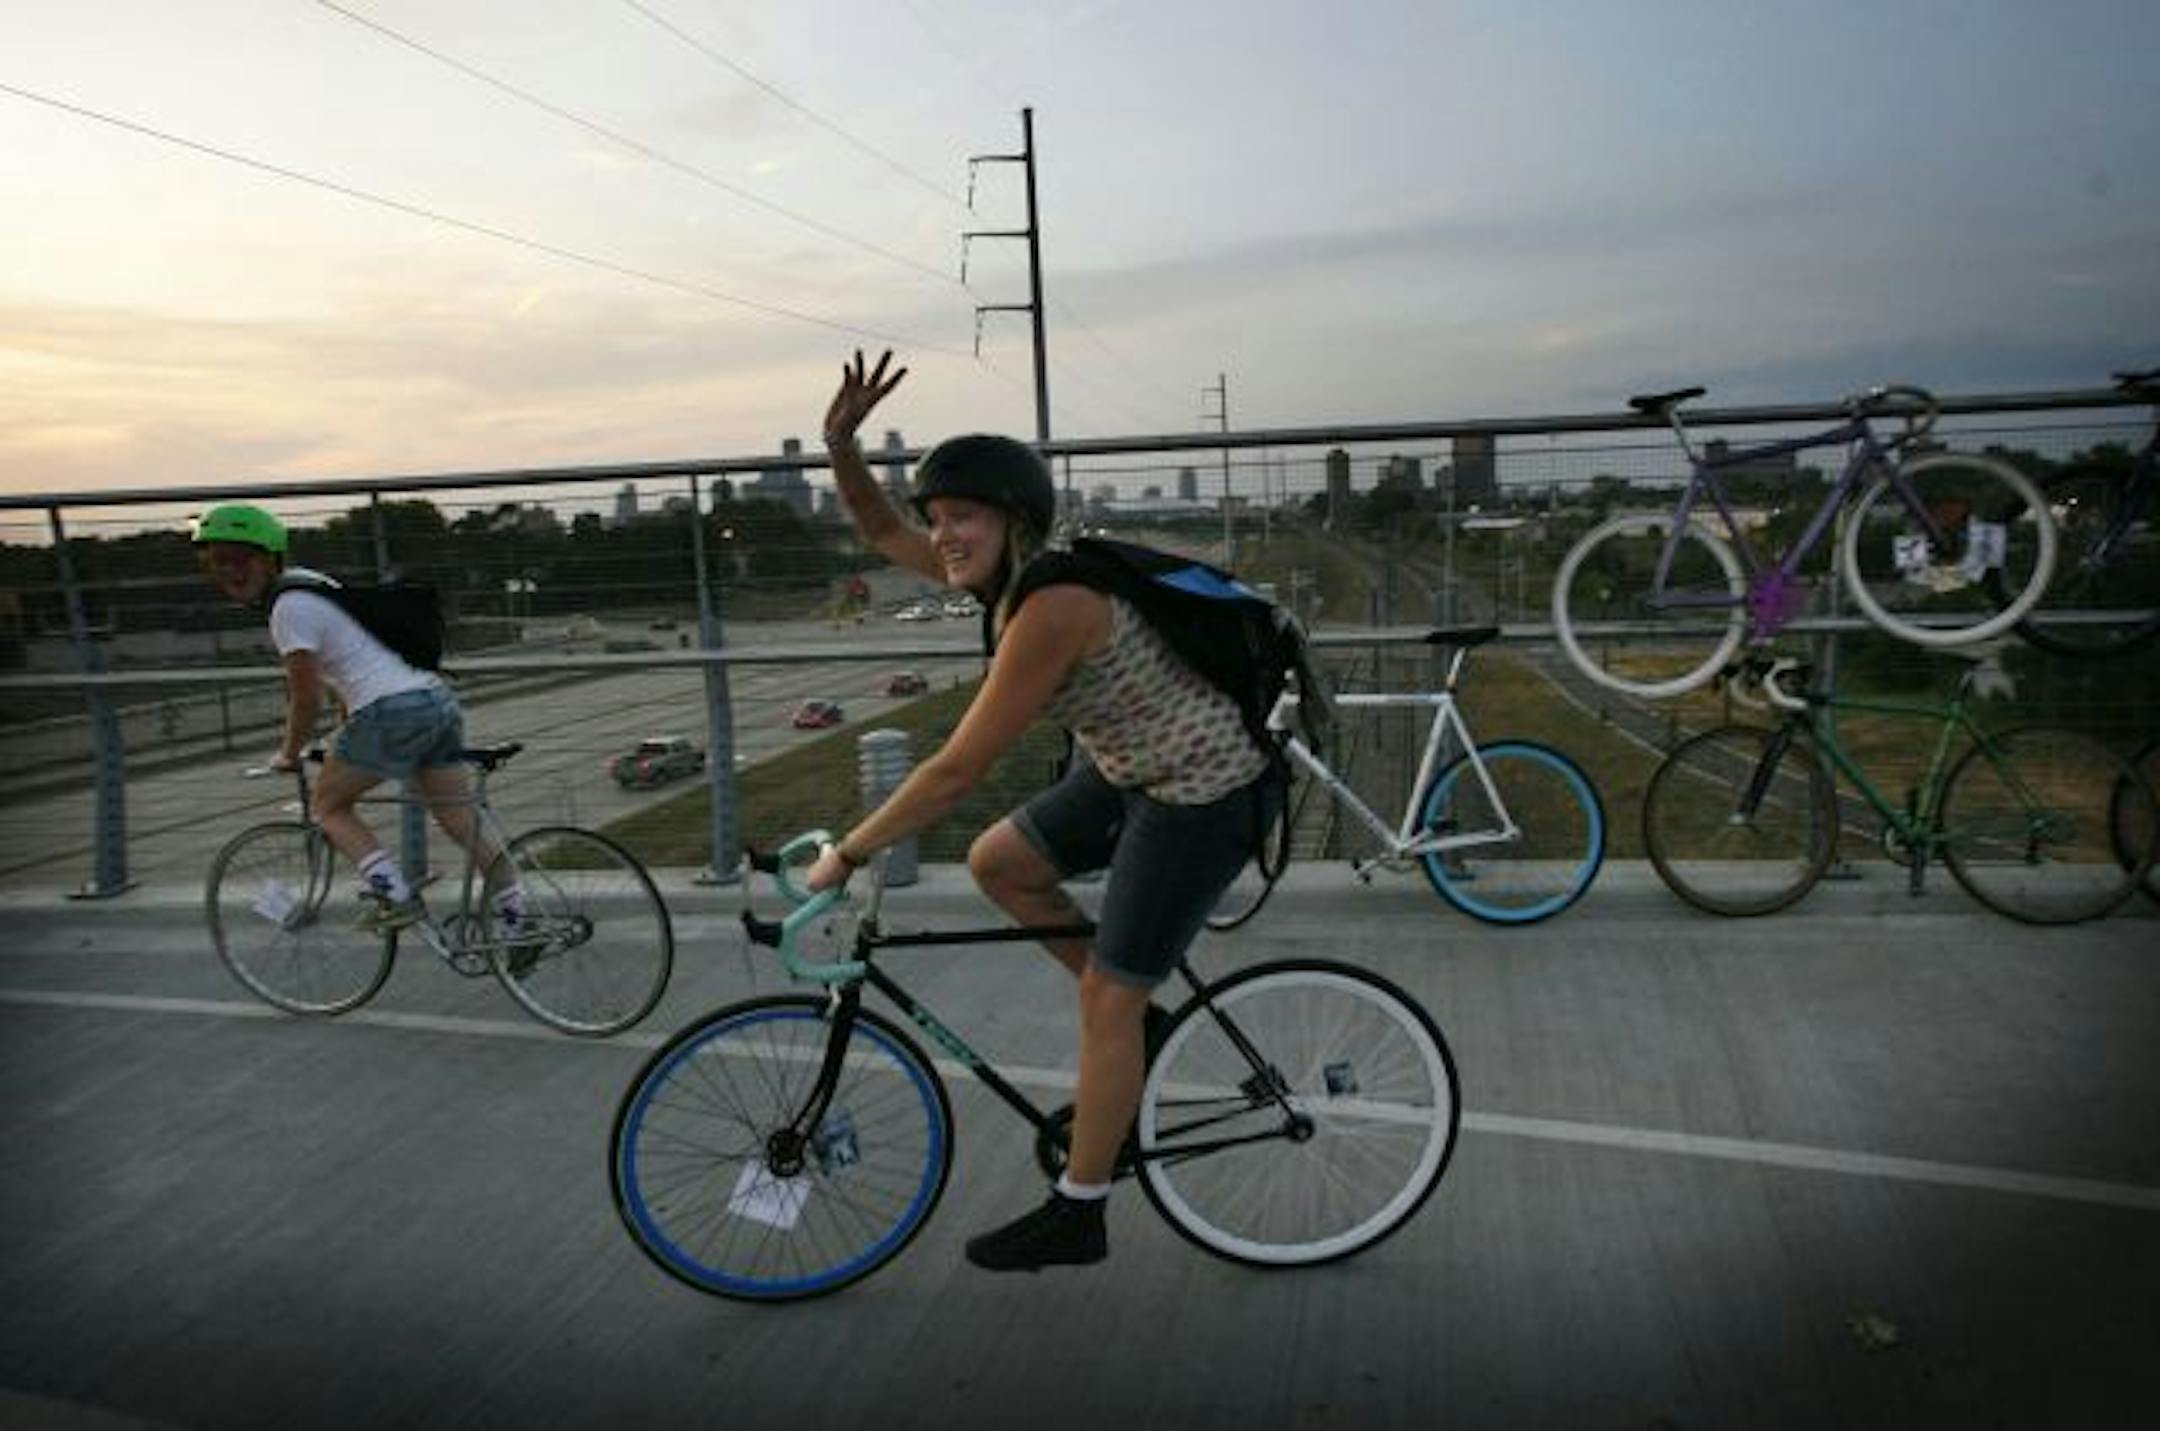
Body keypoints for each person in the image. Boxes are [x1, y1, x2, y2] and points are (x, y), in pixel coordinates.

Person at [808, 350, 1281, 1273]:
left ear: (1015, 521)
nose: (941, 535)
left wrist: (850, 854)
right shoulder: (993, 578)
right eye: (937, 518)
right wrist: (839, 443)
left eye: (962, 518)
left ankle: (1082, 1208)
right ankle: (1134, 1024)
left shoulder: (1054, 604)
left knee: (1108, 989)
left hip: (1205, 790)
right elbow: (875, 530)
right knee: (1000, 863)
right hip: (1129, 768)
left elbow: (955, 770)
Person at [193, 504, 500, 934]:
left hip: (390, 710)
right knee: (457, 817)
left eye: (240, 558)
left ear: (270, 557)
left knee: (327, 808)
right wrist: (344, 728)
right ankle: (518, 912)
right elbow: (348, 666)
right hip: (434, 699)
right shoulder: (317, 586)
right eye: (215, 562)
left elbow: (306, 695)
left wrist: (289, 753)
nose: (228, 571)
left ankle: (395, 895)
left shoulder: (287, 609)